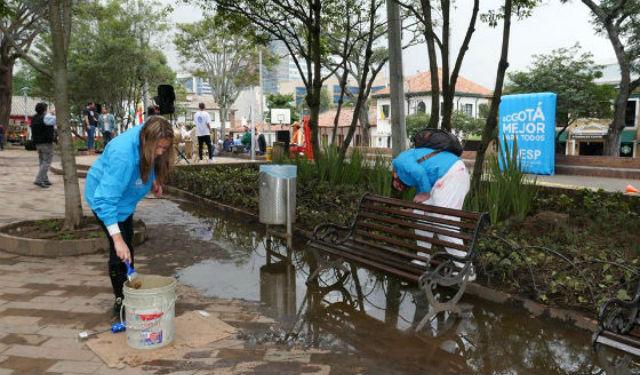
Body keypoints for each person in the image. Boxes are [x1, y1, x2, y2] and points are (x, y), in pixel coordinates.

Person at [84, 116, 175, 317]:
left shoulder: (148, 135)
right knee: (121, 250)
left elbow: (146, 164)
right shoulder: (123, 156)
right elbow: (105, 200)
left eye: (164, 149)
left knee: (128, 247)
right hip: (106, 202)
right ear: (146, 141)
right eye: (158, 148)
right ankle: (122, 303)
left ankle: (129, 286)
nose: (161, 153)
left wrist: (152, 181)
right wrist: (117, 240)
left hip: (124, 201)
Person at [391, 145, 471, 275]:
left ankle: (465, 268)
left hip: (451, 175)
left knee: (443, 222)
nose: (401, 187)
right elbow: (422, 188)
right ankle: (423, 258)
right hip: (443, 179)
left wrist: (424, 194)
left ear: (394, 174)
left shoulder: (400, 162)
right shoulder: (408, 165)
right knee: (421, 214)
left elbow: (420, 173)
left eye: (398, 185)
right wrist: (414, 209)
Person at [32, 103, 55, 188]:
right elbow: (55, 120)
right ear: (45, 110)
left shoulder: (34, 118)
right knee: (46, 162)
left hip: (38, 143)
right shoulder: (45, 118)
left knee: (42, 162)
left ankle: (45, 179)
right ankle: (39, 180)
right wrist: (53, 113)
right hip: (46, 143)